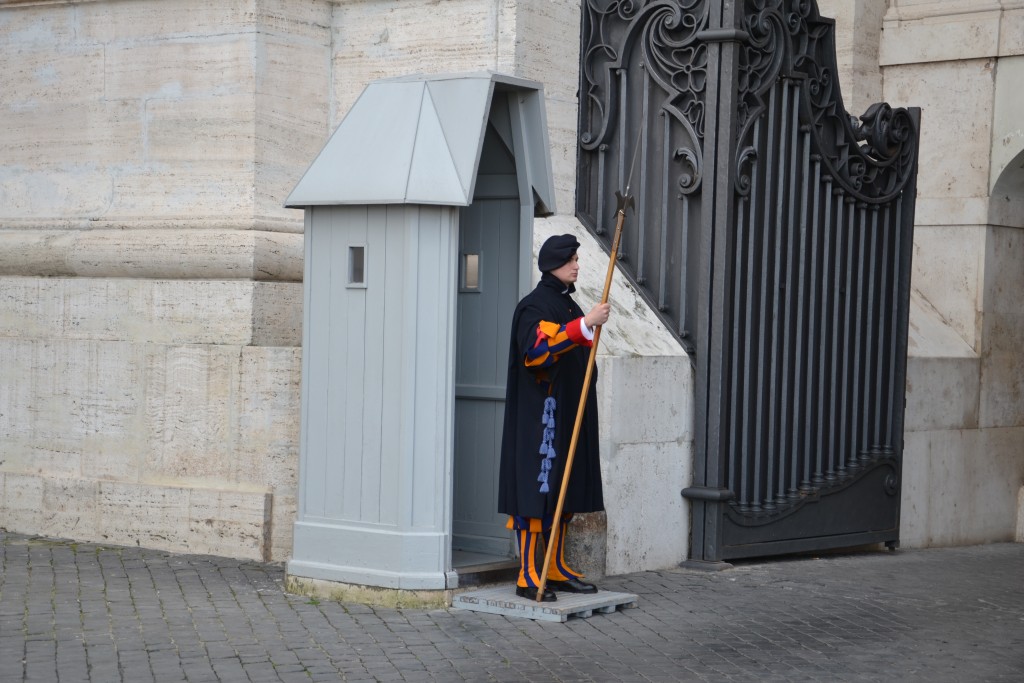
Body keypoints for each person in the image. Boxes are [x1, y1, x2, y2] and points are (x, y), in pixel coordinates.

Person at [498, 233, 610, 602]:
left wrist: (585, 324)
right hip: (540, 420)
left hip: (569, 414)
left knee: (566, 491)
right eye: (571, 259)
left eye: (577, 258)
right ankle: (529, 574)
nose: (577, 265)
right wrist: (585, 325)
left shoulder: (568, 305)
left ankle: (555, 567)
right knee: (537, 494)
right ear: (553, 265)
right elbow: (537, 351)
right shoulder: (534, 306)